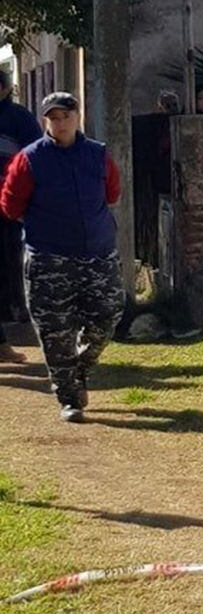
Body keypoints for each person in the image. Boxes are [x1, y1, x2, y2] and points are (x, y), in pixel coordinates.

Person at [0, 92, 124, 423]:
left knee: (107, 317)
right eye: (53, 117)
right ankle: (69, 397)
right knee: (55, 332)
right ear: (45, 121)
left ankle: (78, 368)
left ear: (78, 116)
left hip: (97, 253)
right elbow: (10, 206)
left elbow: (112, 192)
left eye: (66, 115)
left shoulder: (97, 155)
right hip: (48, 258)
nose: (60, 122)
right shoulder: (29, 159)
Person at [0, 69, 41, 363]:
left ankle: (15, 310)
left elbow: (35, 156)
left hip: (6, 205)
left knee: (7, 262)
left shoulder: (17, 118)